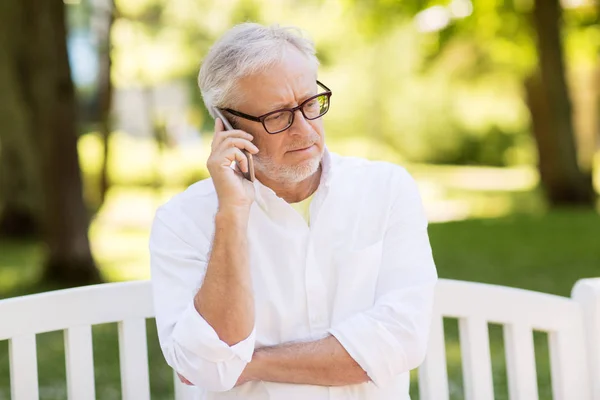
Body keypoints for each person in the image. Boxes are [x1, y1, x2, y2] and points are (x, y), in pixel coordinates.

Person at [149, 22, 438, 400]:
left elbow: (402, 339)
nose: (304, 129)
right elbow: (204, 362)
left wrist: (247, 363)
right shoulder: (182, 221)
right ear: (227, 127)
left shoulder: (386, 190)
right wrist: (232, 214)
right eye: (277, 115)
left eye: (309, 103)